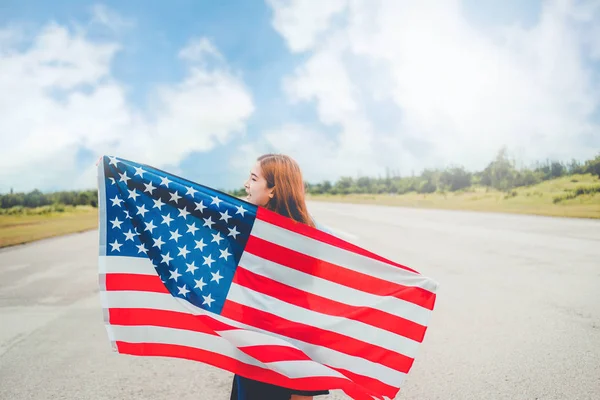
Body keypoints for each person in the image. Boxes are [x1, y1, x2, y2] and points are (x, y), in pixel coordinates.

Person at [230, 153, 330, 400]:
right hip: (297, 334)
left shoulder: (251, 230)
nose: (246, 184)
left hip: (263, 341)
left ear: (273, 190)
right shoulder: (311, 229)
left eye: (253, 178)